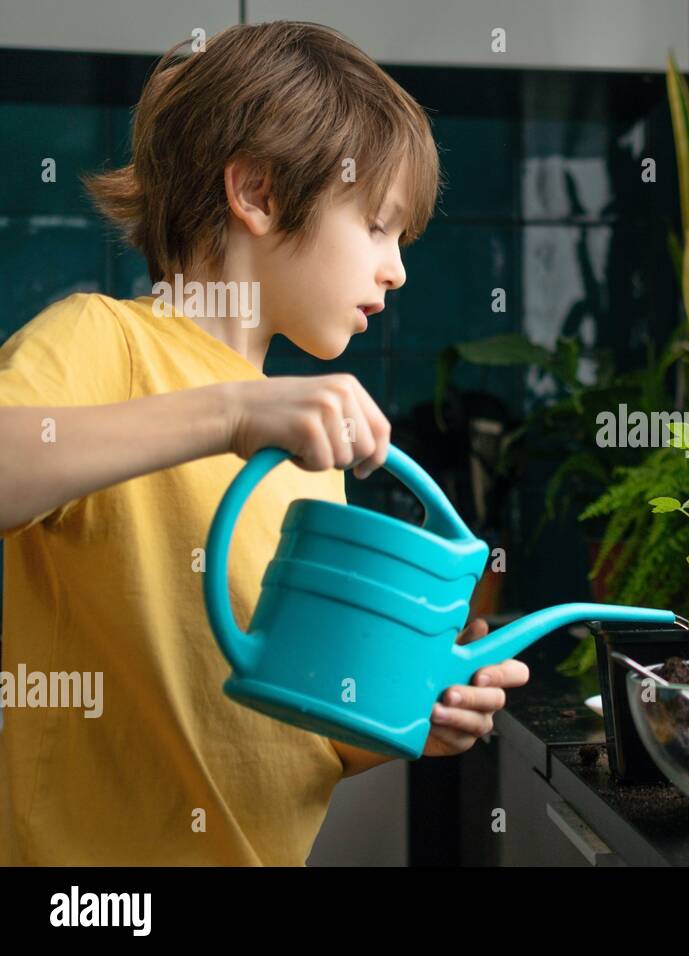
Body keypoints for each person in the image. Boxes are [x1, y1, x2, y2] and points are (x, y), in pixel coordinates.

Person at [0, 21, 527, 865]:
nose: (397, 270)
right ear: (259, 193)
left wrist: (407, 715)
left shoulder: (303, 451)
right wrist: (230, 415)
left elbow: (284, 734)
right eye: (379, 227)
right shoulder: (105, 342)